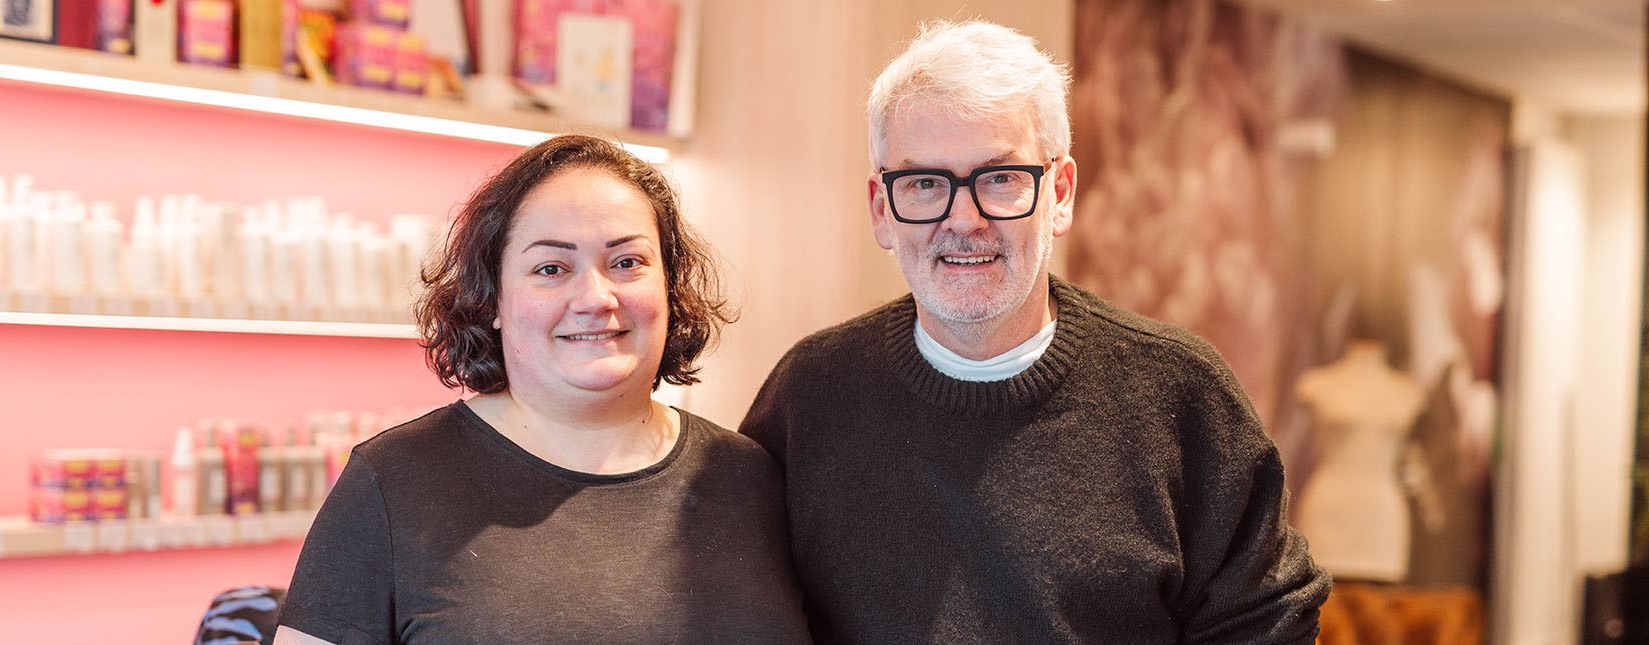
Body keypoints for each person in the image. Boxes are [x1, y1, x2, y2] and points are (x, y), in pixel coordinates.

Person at [739, 20, 1331, 643]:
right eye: (923, 183)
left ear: (1062, 193)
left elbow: (1268, 623)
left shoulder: (1181, 395)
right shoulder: (811, 396)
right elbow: (732, 608)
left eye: (999, 178)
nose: (962, 220)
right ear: (882, 210)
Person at [271, 135, 810, 644]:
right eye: (551, 268)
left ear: (669, 284)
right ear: (495, 301)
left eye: (627, 262)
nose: (595, 296)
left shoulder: (748, 475)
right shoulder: (392, 483)